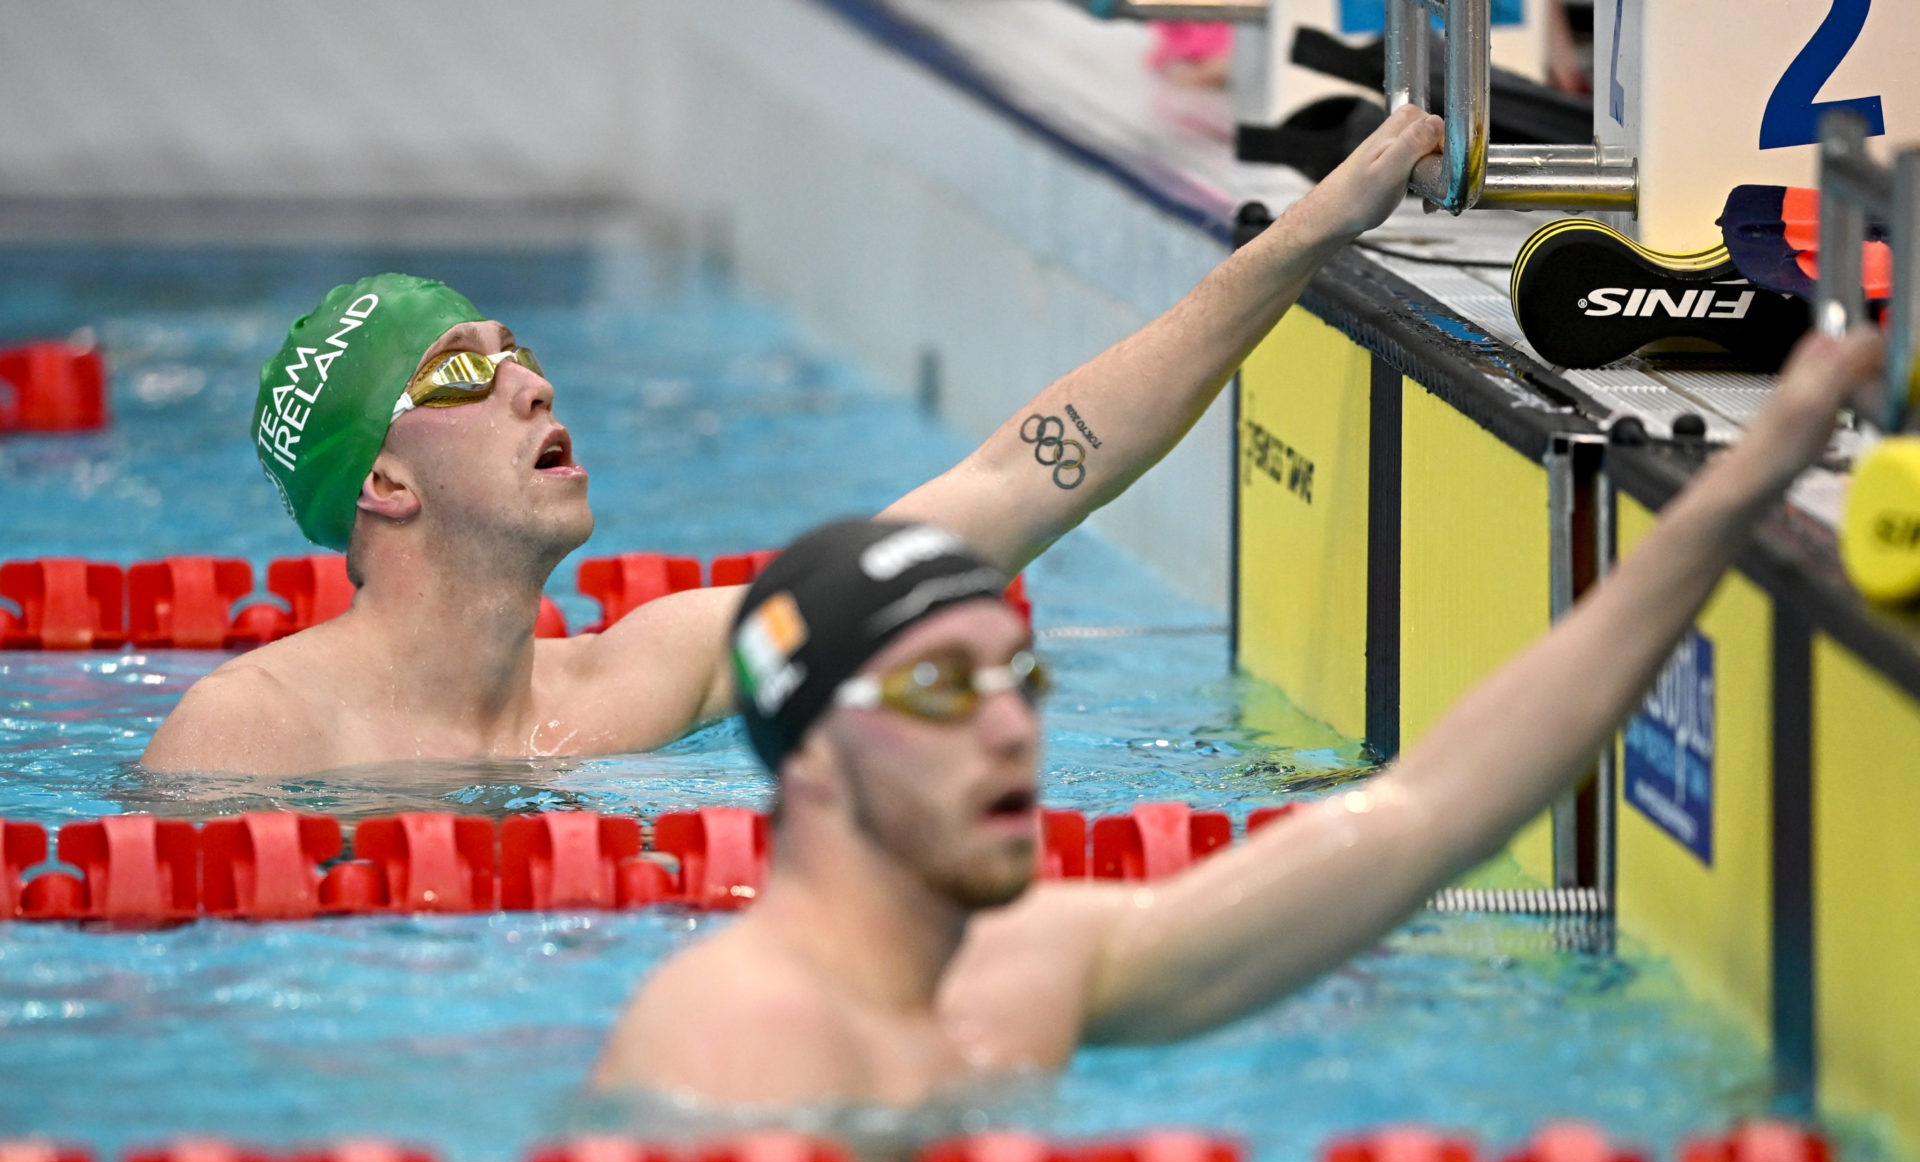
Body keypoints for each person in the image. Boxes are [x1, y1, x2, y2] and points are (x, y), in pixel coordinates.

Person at [592, 326, 1885, 1106]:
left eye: (1017, 678)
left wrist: (1738, 486)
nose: (1005, 728)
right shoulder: (742, 1044)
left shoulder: (1028, 969)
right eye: (940, 690)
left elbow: (1425, 817)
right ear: (806, 759)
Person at [140, 107, 1447, 776]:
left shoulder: (647, 680)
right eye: (471, 370)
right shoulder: (246, 737)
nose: (535, 389)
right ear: (381, 481)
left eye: (528, 356)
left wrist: (1304, 240)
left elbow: (1009, 485)